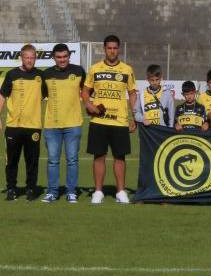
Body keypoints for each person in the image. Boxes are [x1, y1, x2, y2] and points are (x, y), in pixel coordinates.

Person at [81, 35, 137, 205]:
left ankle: (120, 191)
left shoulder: (127, 70)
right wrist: (89, 105)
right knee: (99, 156)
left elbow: (133, 93)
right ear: (104, 49)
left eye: (115, 48)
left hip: (119, 120)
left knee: (120, 157)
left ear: (118, 49)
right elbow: (85, 91)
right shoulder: (95, 69)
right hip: (99, 121)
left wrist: (134, 116)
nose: (112, 51)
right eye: (109, 48)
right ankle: (98, 192)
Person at [1, 44, 47, 201]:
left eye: (32, 57)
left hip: (33, 126)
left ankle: (30, 189)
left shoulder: (40, 76)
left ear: (35, 58)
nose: (29, 60)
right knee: (12, 160)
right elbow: (2, 96)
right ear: (21, 57)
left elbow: (47, 96)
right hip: (13, 126)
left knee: (32, 161)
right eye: (27, 57)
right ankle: (11, 189)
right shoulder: (12, 74)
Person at [42, 43, 85, 203]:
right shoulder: (46, 74)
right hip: (52, 125)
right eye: (59, 57)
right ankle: (52, 192)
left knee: (72, 159)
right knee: (53, 160)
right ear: (54, 57)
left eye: (65, 56)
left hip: (73, 124)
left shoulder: (79, 71)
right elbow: (42, 95)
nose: (62, 60)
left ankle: (71, 191)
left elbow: (86, 92)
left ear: (69, 56)